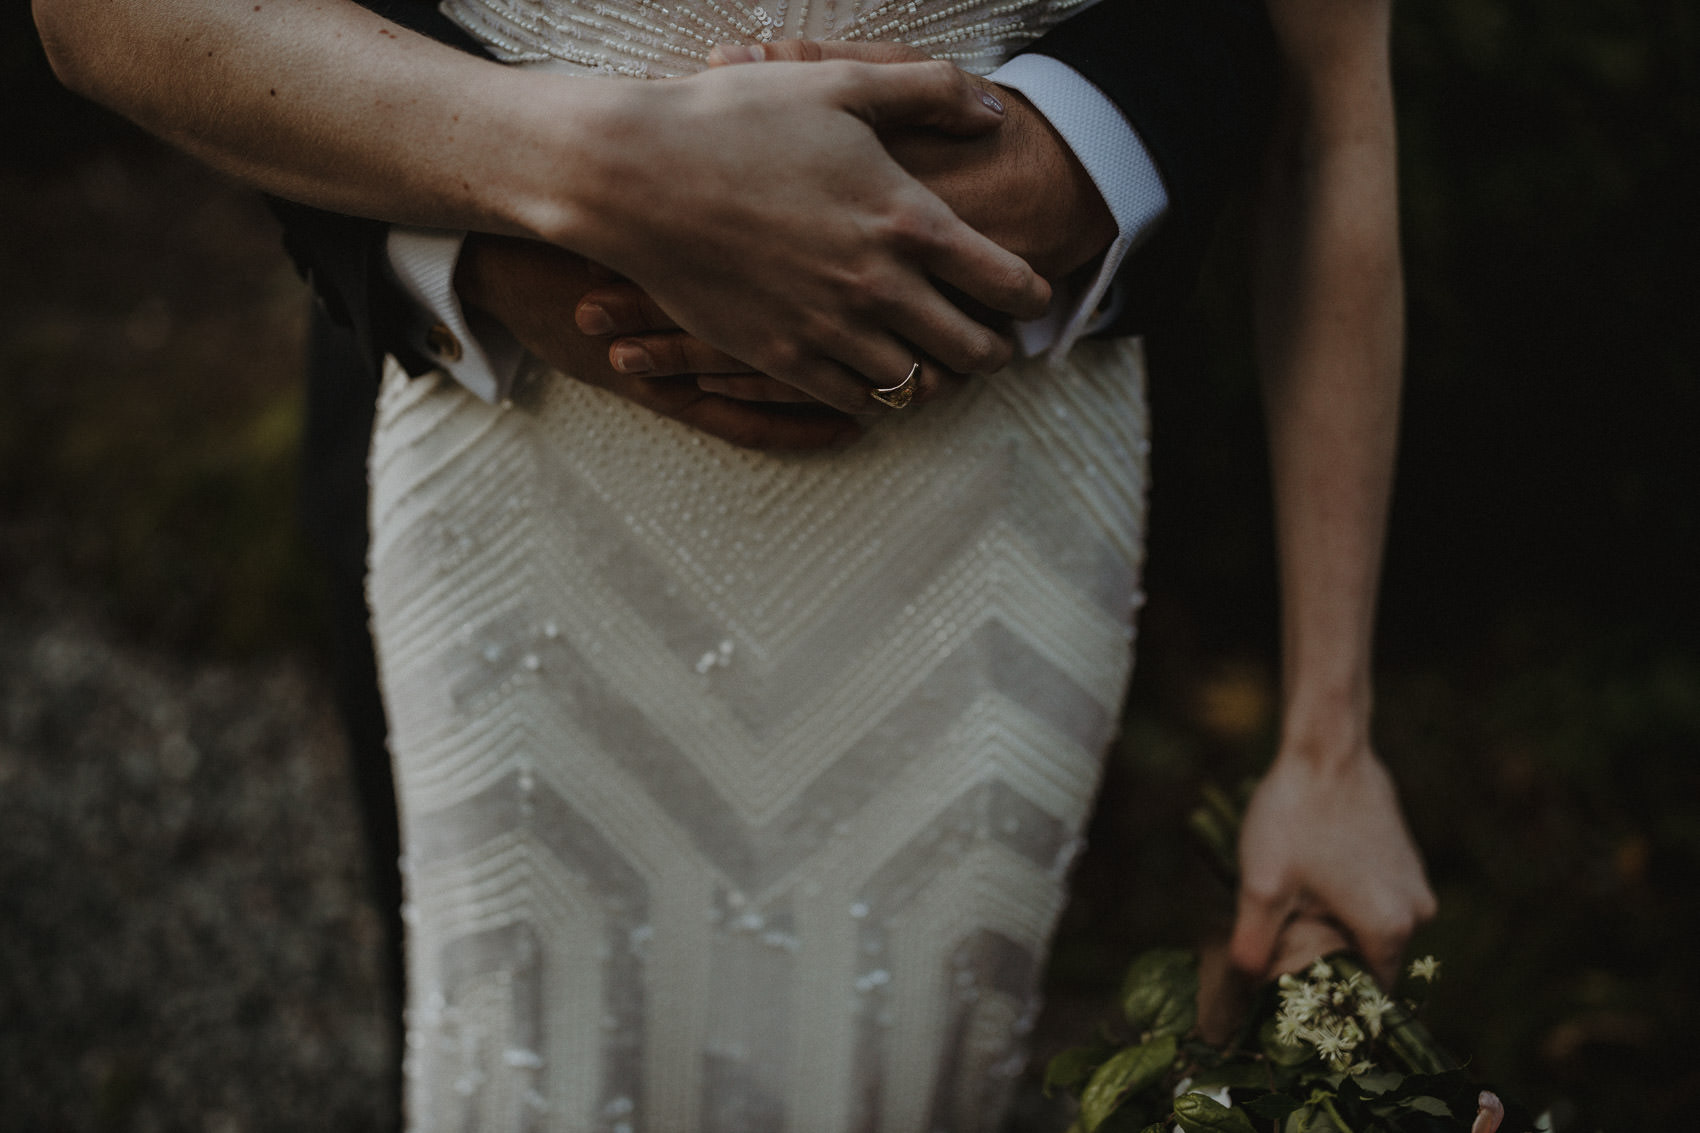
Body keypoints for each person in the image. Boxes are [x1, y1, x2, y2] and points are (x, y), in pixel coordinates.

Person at [34, 0, 1435, 1129]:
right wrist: (596, 168)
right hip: (501, 452)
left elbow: (1326, 111)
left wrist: (1330, 739)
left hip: (988, 508)